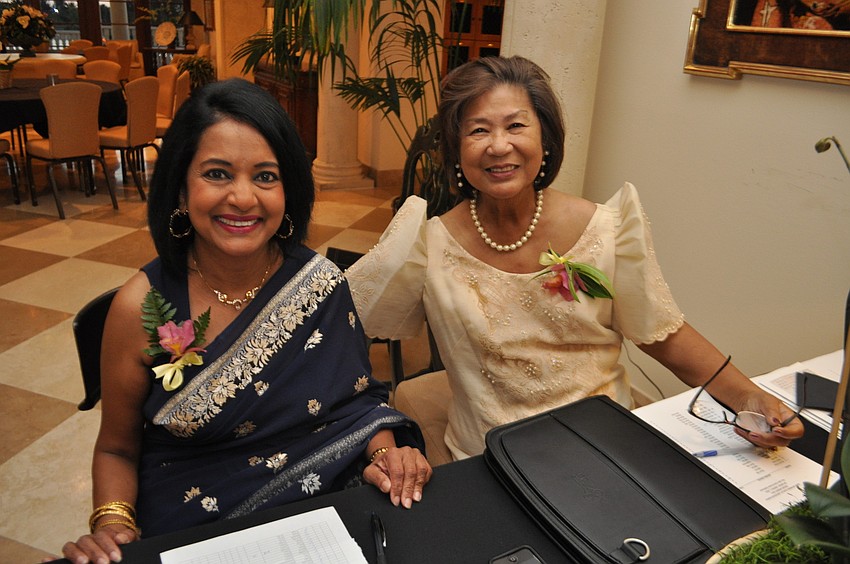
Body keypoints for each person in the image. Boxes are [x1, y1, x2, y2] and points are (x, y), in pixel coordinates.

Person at [346, 56, 804, 461]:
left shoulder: (606, 230)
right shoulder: (427, 244)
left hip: (604, 443)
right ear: (457, 150)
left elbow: (662, 333)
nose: (499, 145)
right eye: (479, 130)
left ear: (545, 138)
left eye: (516, 125)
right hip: (489, 456)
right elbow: (343, 333)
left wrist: (748, 396)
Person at [58, 78, 431, 564]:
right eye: (216, 174)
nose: (242, 198)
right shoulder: (138, 308)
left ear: (288, 188)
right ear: (180, 186)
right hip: (191, 527)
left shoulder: (320, 283)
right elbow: (116, 451)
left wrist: (386, 453)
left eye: (265, 176)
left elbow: (356, 406)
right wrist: (112, 525)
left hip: (319, 524)